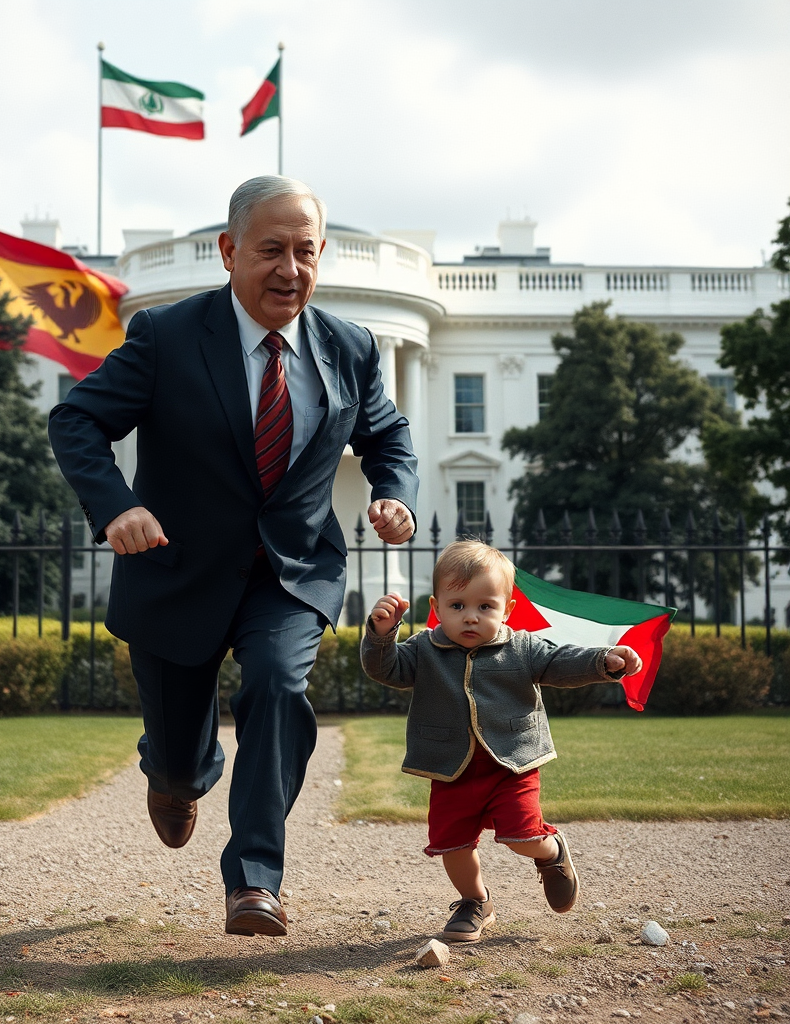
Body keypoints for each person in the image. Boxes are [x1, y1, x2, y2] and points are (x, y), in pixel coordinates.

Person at [48, 175, 419, 937]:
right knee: (182, 759)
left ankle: (255, 880)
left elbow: (386, 434)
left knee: (279, 689)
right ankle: (178, 774)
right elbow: (77, 422)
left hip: (289, 574)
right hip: (175, 571)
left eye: (306, 252)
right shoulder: (167, 337)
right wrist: (117, 506)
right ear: (228, 252)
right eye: (272, 250)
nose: (290, 270)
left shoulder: (349, 347)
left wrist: (395, 492)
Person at [360, 540, 642, 942]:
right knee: (451, 843)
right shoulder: (424, 649)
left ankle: (552, 852)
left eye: (485, 607)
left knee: (521, 835)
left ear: (506, 609)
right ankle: (476, 902)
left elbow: (562, 661)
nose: (470, 617)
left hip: (512, 762)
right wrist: (381, 635)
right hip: (451, 767)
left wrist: (603, 661)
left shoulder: (522, 647)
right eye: (457, 606)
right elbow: (384, 669)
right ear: (437, 607)